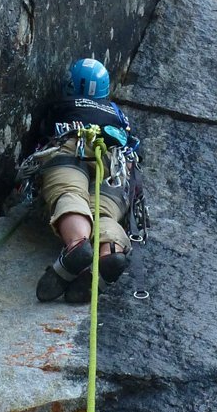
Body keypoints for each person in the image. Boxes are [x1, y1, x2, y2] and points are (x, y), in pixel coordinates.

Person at [24, 57, 140, 304]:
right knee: (105, 214)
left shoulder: (64, 104)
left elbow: (42, 134)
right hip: (114, 160)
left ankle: (77, 245)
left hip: (72, 145)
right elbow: (134, 152)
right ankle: (109, 252)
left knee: (70, 193)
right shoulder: (117, 114)